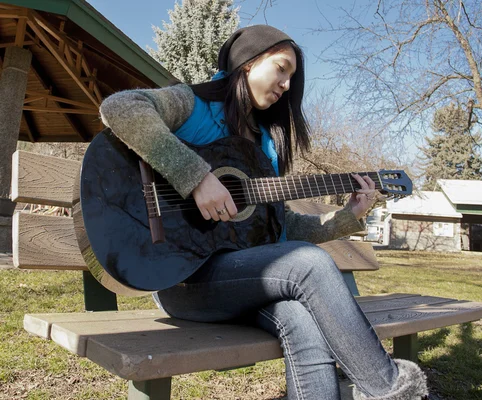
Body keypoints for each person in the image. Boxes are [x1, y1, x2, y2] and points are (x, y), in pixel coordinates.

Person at [100, 25, 427, 400]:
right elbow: (120, 108)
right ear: (248, 62)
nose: (287, 84)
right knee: (310, 262)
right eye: (282, 68)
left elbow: (279, 228)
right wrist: (195, 177)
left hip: (242, 282)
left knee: (301, 320)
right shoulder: (193, 104)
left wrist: (346, 216)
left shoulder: (264, 147)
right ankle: (393, 391)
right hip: (180, 278)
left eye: (292, 77)